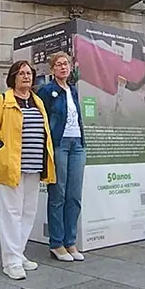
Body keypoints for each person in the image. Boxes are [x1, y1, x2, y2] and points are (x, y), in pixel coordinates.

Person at [0, 60, 56, 281]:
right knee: (11, 214)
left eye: (29, 73)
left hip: (34, 166)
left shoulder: (37, 101)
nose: (26, 76)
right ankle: (11, 262)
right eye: (21, 73)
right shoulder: (3, 100)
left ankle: (18, 252)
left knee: (28, 213)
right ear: (13, 77)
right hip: (10, 165)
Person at [37, 52, 86, 263]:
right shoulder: (47, 91)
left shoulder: (73, 90)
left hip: (77, 145)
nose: (63, 67)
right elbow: (42, 119)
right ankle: (56, 243)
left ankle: (70, 241)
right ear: (52, 69)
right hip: (59, 145)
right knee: (58, 194)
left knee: (74, 196)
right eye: (58, 65)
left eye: (66, 64)